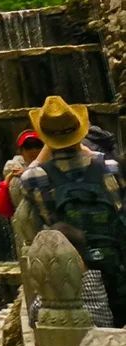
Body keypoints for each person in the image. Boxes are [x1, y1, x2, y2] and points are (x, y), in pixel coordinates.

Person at [20, 95, 126, 327]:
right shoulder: (110, 167)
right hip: (115, 261)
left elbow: (27, 174)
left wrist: (49, 145)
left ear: (47, 138)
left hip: (73, 274)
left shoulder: (35, 177)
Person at [0, 129, 44, 219]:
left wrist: (26, 171)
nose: (33, 150)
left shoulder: (50, 163)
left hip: (45, 212)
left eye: (37, 146)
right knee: (16, 180)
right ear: (21, 151)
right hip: (24, 214)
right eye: (28, 146)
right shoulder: (13, 164)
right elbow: (11, 170)